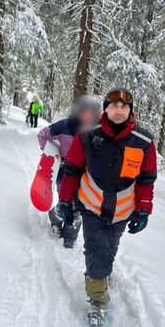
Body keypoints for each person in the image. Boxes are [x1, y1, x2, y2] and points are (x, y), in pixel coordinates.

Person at [55, 87, 157, 327]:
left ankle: (99, 274)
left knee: (109, 250)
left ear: (130, 111)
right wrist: (65, 200)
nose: (119, 110)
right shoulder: (88, 137)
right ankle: (98, 303)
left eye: (124, 106)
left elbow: (146, 179)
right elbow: (72, 171)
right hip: (91, 207)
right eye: (114, 105)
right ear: (106, 109)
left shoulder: (143, 142)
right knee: (97, 252)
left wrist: (143, 210)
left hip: (122, 212)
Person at [37, 94, 101, 248]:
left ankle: (70, 237)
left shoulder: (98, 131)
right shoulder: (65, 125)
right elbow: (43, 134)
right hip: (64, 171)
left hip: (86, 175)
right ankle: (55, 220)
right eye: (85, 111)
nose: (88, 115)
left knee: (79, 206)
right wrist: (52, 153)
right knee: (65, 202)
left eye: (92, 112)